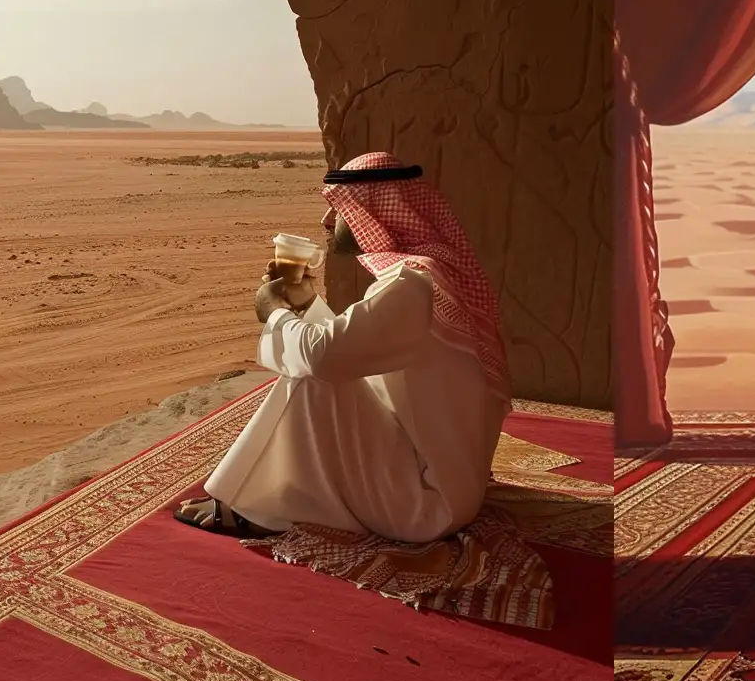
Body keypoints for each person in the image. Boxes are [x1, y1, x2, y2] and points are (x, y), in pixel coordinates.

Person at [176, 153, 510, 544]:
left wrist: (275, 312)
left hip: (426, 506)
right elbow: (355, 349)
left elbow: (323, 359)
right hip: (448, 482)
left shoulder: (410, 286)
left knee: (309, 380)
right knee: (321, 370)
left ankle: (259, 507)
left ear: (374, 213)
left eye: (338, 207)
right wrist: (302, 303)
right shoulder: (427, 277)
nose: (327, 222)